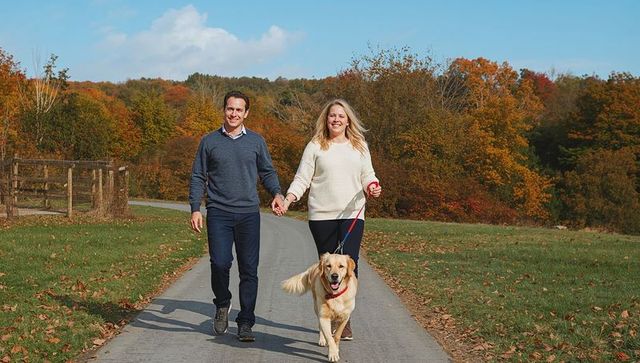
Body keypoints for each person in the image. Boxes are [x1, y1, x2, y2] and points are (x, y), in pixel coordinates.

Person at [276, 99, 382, 340]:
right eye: (332, 115)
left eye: (341, 116)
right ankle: (326, 314)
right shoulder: (315, 145)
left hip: (352, 214)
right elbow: (302, 178)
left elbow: (368, 174)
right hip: (322, 216)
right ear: (326, 119)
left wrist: (373, 186)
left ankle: (344, 318)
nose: (336, 119)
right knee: (328, 267)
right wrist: (288, 199)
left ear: (348, 120)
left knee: (350, 264)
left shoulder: (359, 145)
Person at [189, 90, 285, 342]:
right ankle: (222, 303)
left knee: (248, 269)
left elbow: (267, 171)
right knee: (220, 263)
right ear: (224, 110)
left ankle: (245, 322)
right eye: (230, 109)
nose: (234, 114)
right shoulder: (209, 141)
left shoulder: (256, 141)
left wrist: (276, 193)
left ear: (246, 113)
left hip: (248, 214)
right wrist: (195, 208)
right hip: (218, 212)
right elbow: (199, 175)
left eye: (239, 110)